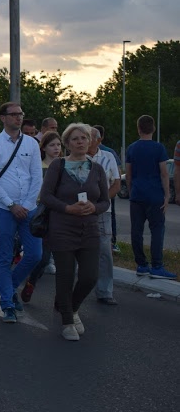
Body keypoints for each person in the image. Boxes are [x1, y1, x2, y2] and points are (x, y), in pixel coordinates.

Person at [39, 123, 110, 341]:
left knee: (90, 276)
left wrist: (94, 208)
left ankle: (71, 307)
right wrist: (67, 208)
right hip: (62, 229)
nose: (80, 142)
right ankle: (67, 321)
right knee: (65, 276)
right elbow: (46, 196)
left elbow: (105, 201)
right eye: (75, 139)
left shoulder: (96, 169)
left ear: (90, 142)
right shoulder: (58, 166)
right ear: (68, 143)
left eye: (84, 138)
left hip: (89, 229)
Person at [0, 102, 43, 323]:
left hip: (29, 208)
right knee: (5, 256)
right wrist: (10, 204)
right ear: (3, 118)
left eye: (21, 114)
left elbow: (37, 176)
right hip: (3, 209)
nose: (18, 118)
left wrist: (26, 204)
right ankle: (7, 302)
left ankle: (10, 286)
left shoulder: (32, 144)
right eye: (14, 114)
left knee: (35, 254)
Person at [126, 115, 176, 279]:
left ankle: (141, 264)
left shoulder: (132, 148)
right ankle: (157, 266)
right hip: (155, 196)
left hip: (137, 195)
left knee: (136, 231)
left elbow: (129, 174)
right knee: (157, 231)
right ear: (153, 128)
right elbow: (163, 173)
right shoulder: (159, 148)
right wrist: (167, 195)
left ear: (138, 129)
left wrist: (132, 190)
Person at [21, 131, 62, 302]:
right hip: (43, 215)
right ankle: (31, 283)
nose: (56, 148)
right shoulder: (38, 167)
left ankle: (62, 300)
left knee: (64, 261)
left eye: (59, 145)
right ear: (43, 148)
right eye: (52, 145)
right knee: (44, 258)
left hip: (62, 215)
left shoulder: (65, 165)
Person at [88, 127, 121, 305]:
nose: (84, 141)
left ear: (98, 141)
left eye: (89, 137)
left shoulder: (108, 157)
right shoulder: (78, 157)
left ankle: (105, 291)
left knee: (104, 252)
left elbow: (116, 183)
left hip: (102, 211)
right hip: (81, 211)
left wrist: (102, 201)